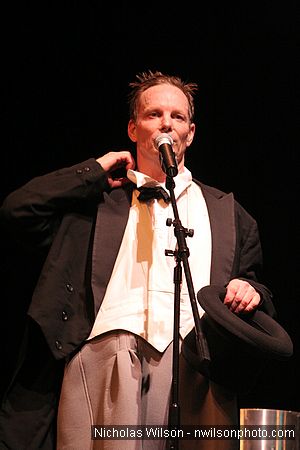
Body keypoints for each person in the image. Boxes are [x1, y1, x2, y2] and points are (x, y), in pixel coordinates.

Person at [0, 70, 276, 450]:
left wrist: (251, 290)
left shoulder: (228, 212)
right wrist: (94, 170)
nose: (166, 123)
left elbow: (253, 281)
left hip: (196, 363)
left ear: (190, 133)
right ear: (133, 128)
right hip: (107, 359)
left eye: (177, 116)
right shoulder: (96, 203)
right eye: (153, 114)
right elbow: (18, 211)